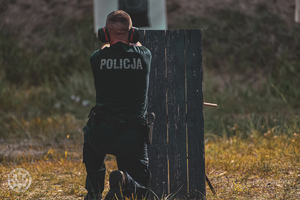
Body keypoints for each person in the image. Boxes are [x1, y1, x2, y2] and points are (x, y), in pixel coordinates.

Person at [83, 10, 152, 200]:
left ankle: (94, 191)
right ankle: (125, 181)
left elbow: (107, 50)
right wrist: (132, 38)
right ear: (132, 33)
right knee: (142, 187)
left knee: (89, 137)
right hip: (132, 136)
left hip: (101, 133)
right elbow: (135, 46)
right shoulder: (145, 56)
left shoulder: (96, 58)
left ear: (104, 33)